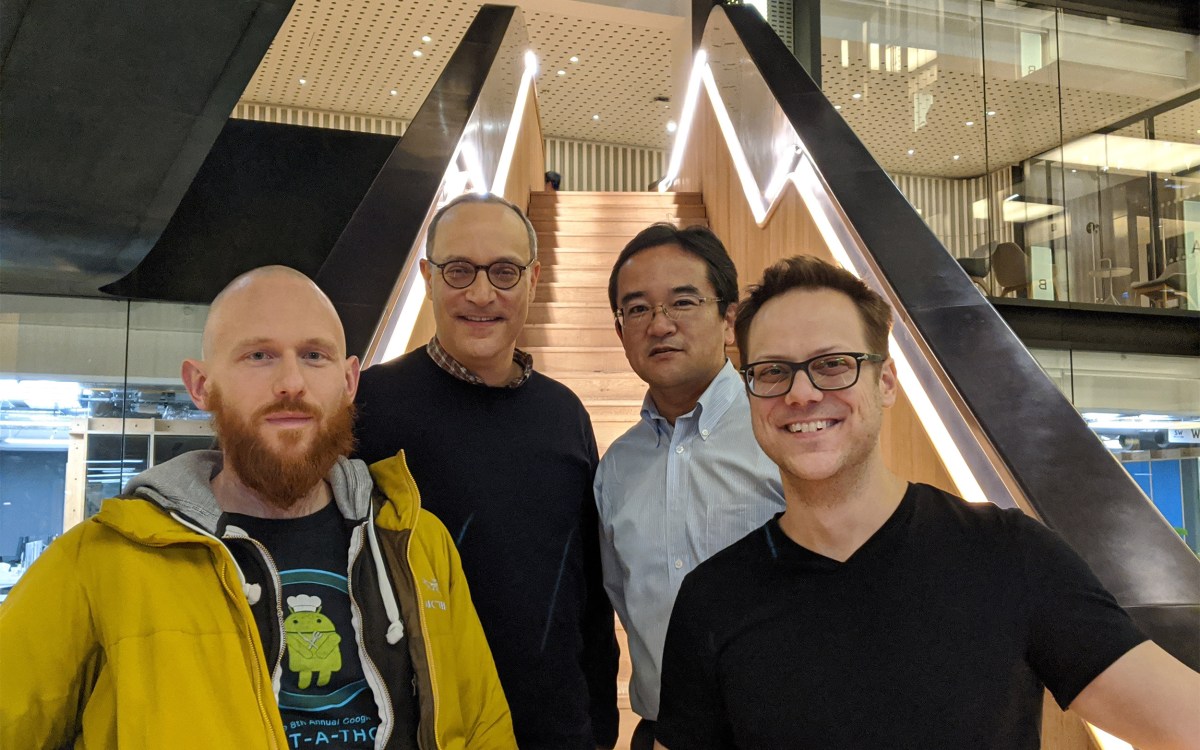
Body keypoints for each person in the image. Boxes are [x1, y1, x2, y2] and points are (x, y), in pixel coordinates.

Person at [655, 255, 1200, 749]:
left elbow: (1184, 722)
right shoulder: (712, 598)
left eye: (833, 363)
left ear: (886, 381)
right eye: (773, 371)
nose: (801, 393)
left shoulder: (1010, 555)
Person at [0, 266, 515, 749]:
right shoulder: (99, 562)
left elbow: (483, 727)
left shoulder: (418, 541)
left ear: (350, 381)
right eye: (259, 356)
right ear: (201, 385)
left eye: (315, 355)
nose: (291, 382)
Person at [353, 193, 619, 750]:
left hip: (556, 729)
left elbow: (587, 595)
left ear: (533, 278)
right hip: (425, 732)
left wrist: (596, 724)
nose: (481, 293)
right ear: (427, 277)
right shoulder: (369, 408)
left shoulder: (564, 413)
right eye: (458, 271)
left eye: (504, 271)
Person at [595, 224, 784, 750]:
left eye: (682, 301)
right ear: (620, 332)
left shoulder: (782, 431)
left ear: (729, 321)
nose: (659, 325)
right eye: (637, 309)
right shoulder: (616, 468)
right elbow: (623, 601)